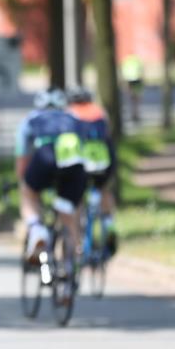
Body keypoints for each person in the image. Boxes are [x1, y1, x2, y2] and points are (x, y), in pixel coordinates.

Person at [15, 88, 87, 266]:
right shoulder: (74, 118)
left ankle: (37, 229)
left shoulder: (31, 119)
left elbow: (22, 156)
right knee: (69, 206)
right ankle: (73, 253)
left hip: (45, 156)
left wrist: (23, 180)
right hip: (73, 162)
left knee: (28, 191)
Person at [67, 86, 117, 255]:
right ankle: (109, 225)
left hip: (81, 161)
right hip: (103, 159)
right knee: (103, 189)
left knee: (77, 196)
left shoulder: (70, 112)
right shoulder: (100, 112)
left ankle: (78, 242)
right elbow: (108, 135)